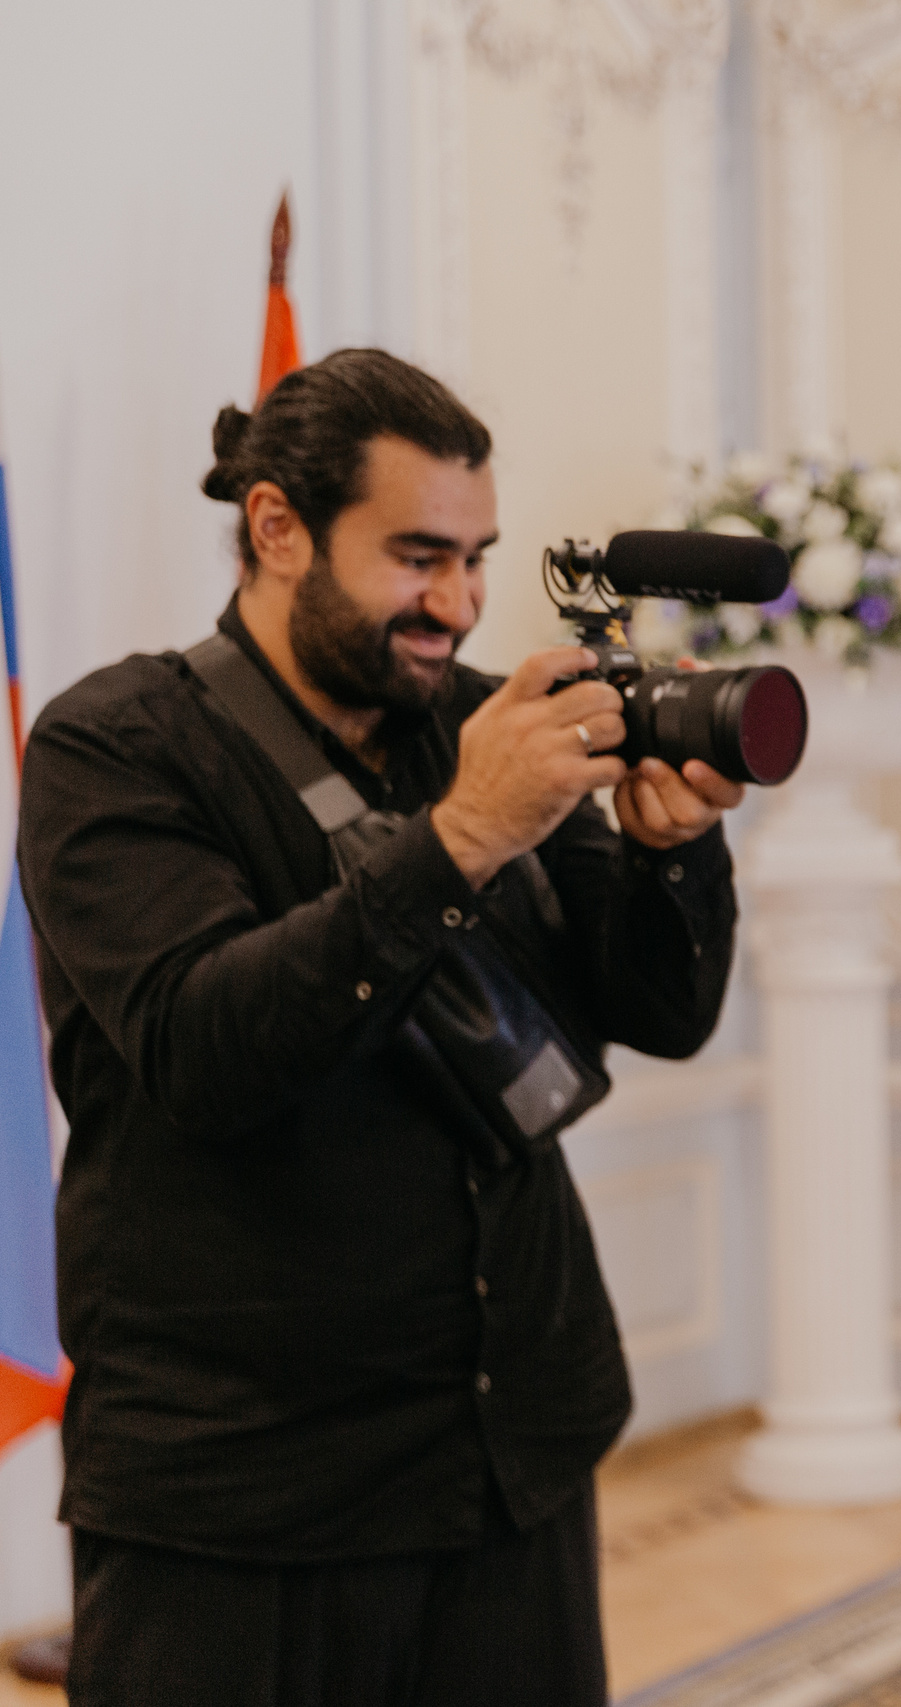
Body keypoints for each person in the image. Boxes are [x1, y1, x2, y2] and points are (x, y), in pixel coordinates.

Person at [19, 349, 744, 1706]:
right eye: (419, 557)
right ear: (279, 526)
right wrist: (464, 834)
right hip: (243, 1487)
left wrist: (673, 854)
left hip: (506, 1450)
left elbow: (663, 1010)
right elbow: (203, 1042)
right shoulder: (113, 745)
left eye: (477, 558)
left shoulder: (477, 720)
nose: (461, 604)